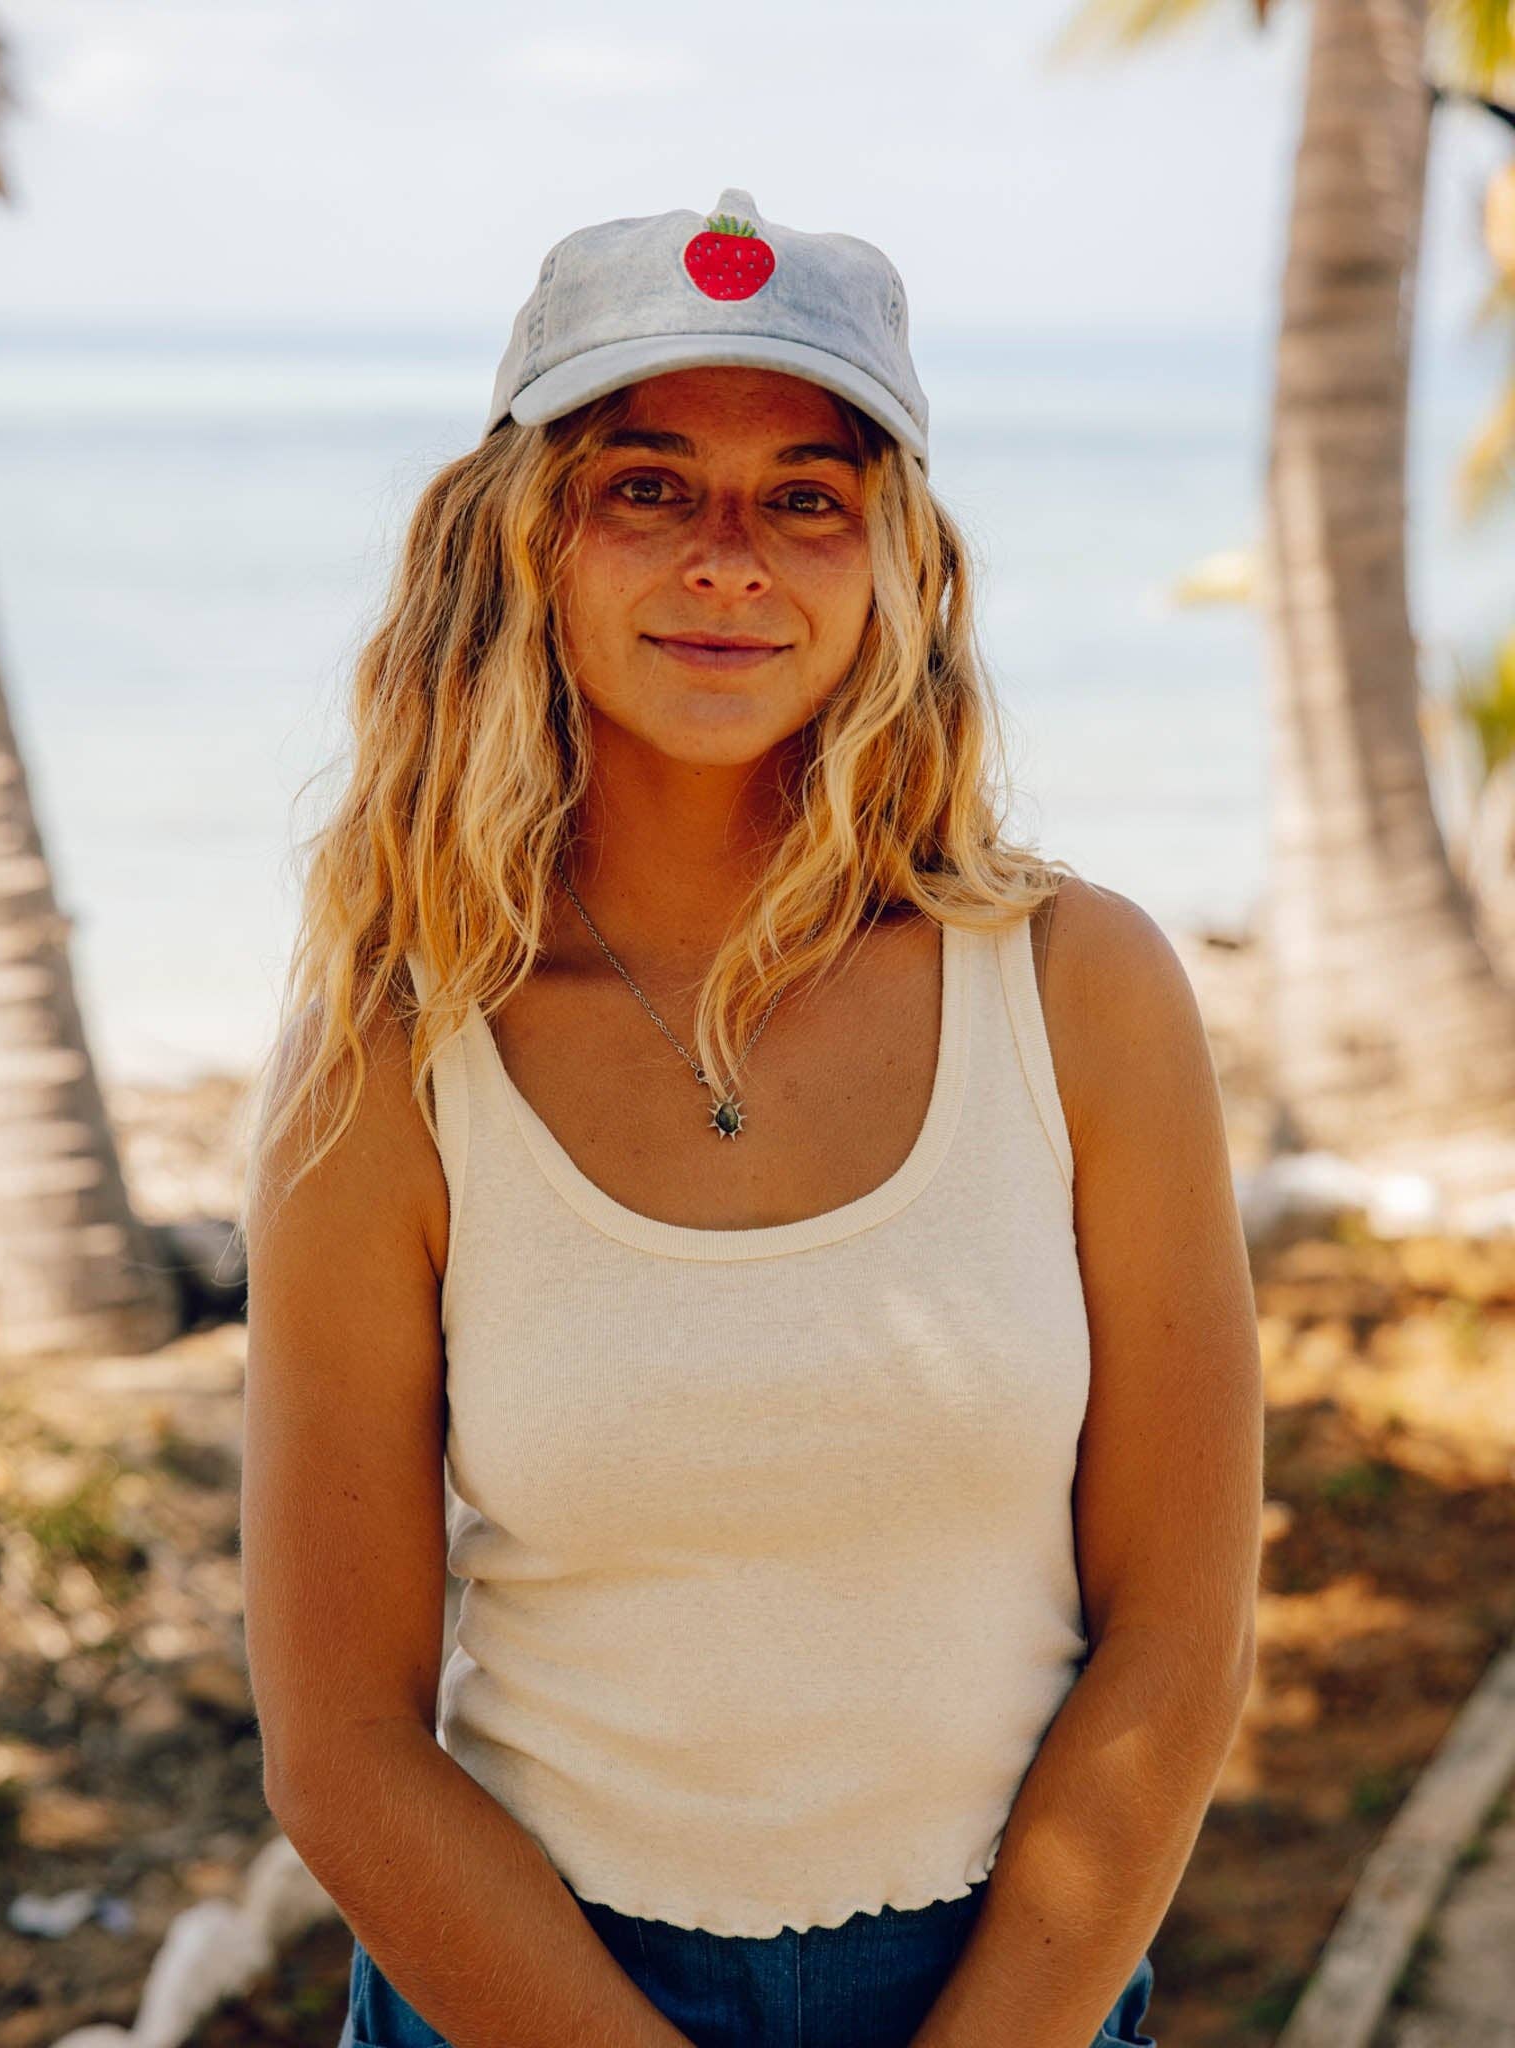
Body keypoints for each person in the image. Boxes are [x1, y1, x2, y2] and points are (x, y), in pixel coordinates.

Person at [237, 187, 1264, 2048]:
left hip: (1012, 1998)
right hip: (527, 1994)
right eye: (648, 486)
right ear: (526, 542)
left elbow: (1179, 1630)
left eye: (806, 494)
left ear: (891, 563)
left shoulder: (1080, 990)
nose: (733, 559)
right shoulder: (391, 1053)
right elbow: (344, 1745)